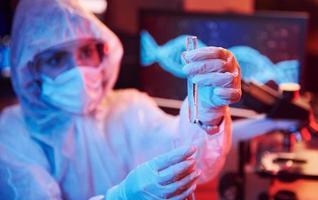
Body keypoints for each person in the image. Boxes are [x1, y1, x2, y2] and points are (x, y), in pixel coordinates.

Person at [0, 0, 241, 199]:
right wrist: (122, 197)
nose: (78, 70)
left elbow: (194, 162)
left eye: (86, 52)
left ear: (101, 53)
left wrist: (208, 114)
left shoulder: (130, 107)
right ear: (31, 70)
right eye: (56, 59)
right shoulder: (11, 132)